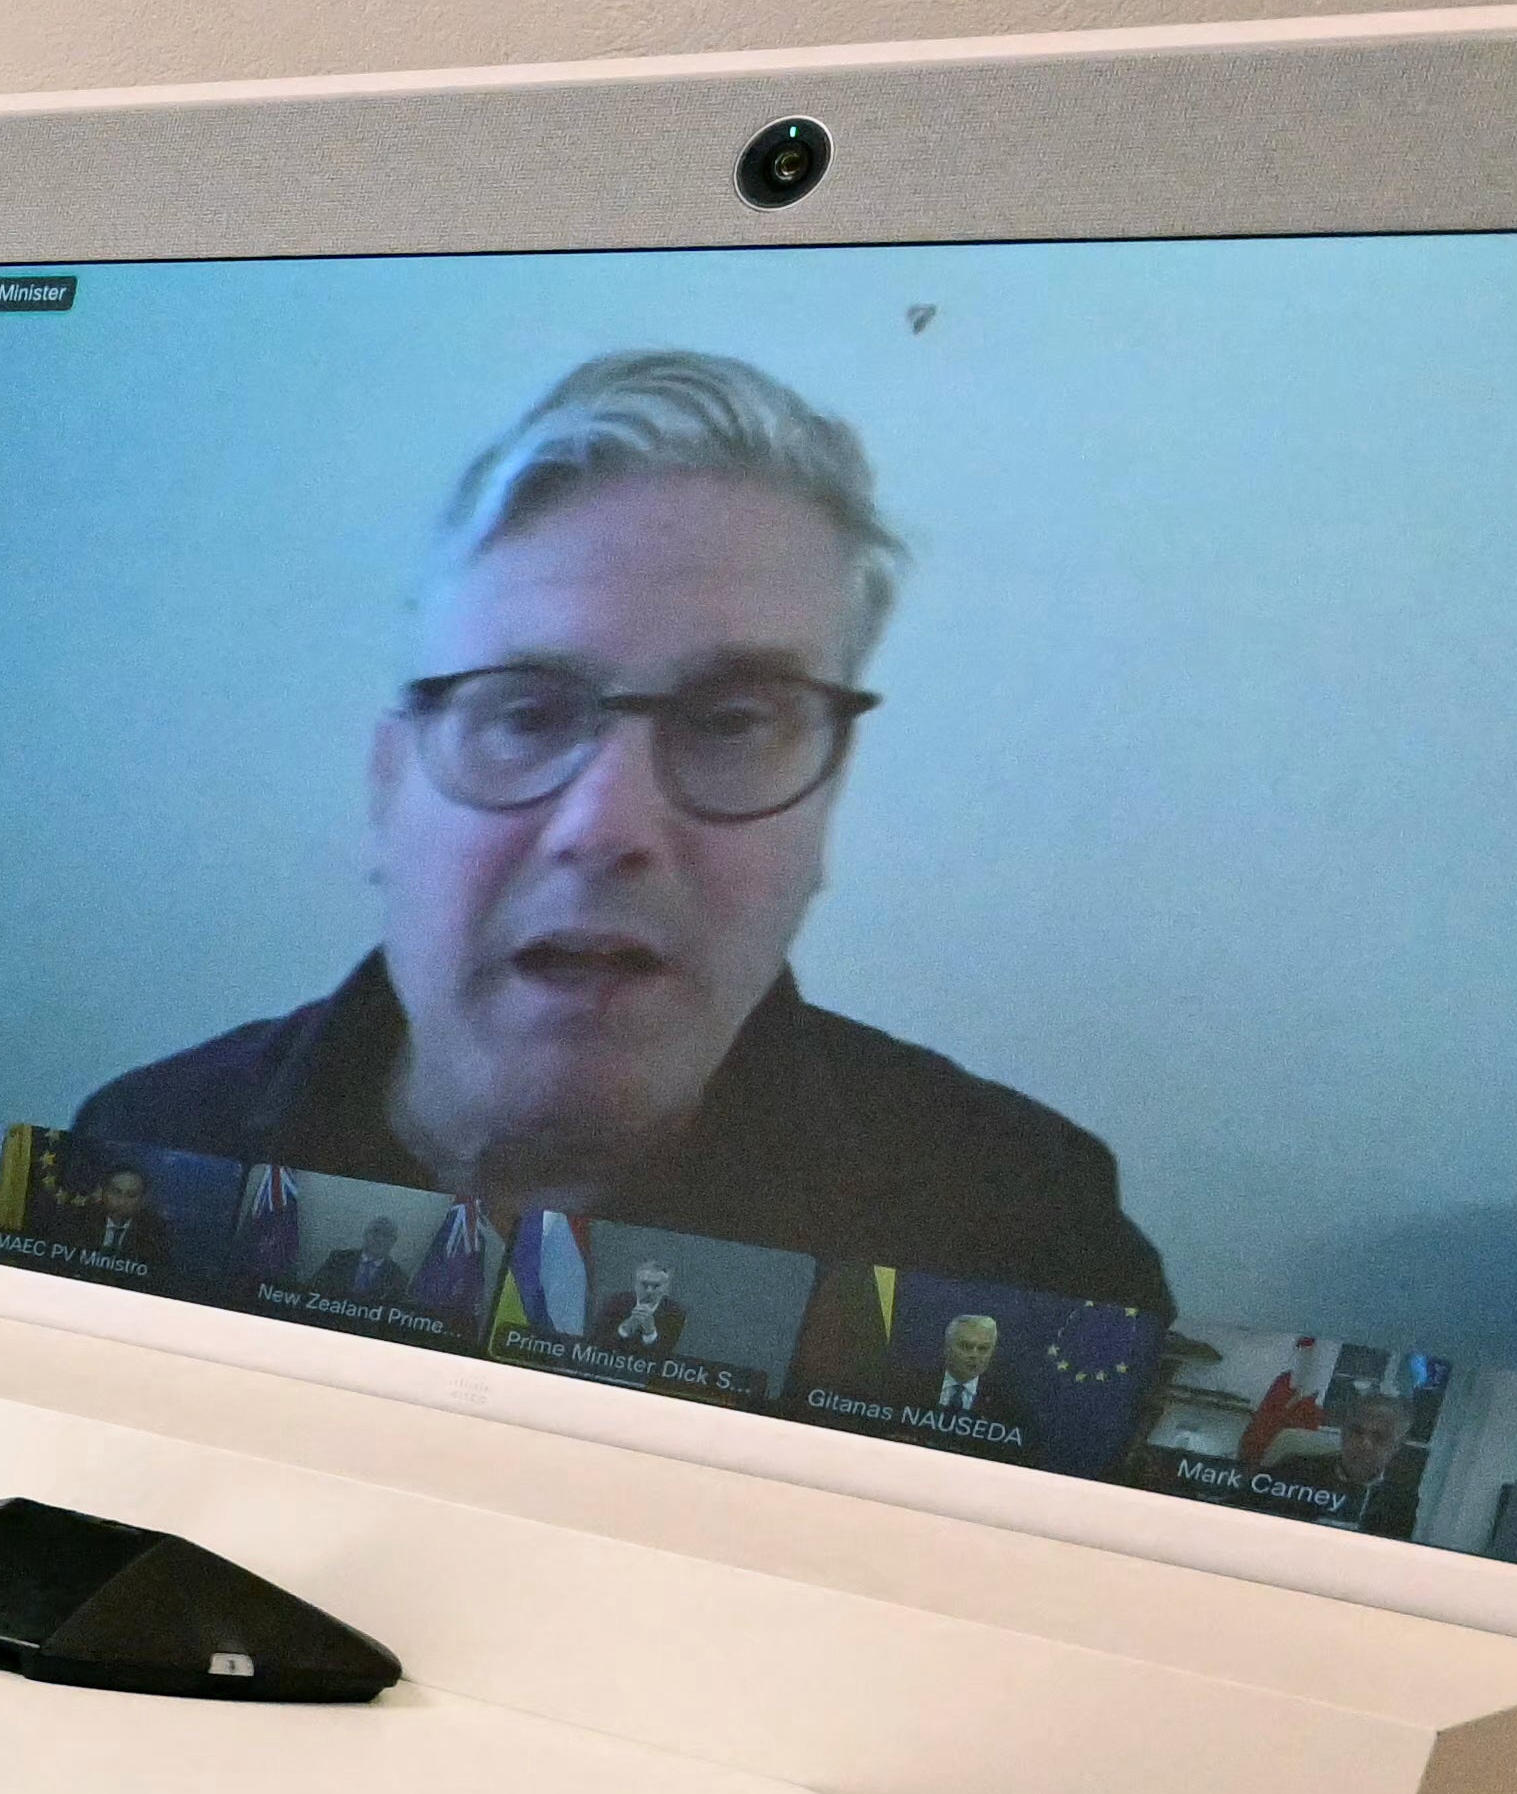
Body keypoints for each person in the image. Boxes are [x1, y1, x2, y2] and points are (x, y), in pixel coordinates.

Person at [75, 350, 1167, 1317]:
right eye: (523, 712)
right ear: (388, 786)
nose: (606, 827)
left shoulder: (1024, 1235)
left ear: (824, 809)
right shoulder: (142, 1151)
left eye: (734, 722)